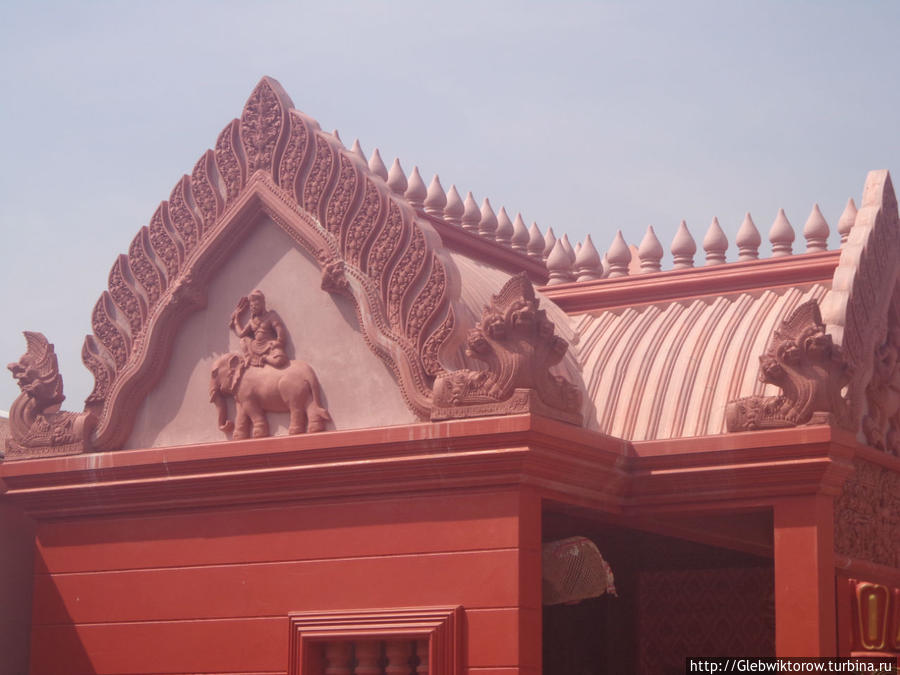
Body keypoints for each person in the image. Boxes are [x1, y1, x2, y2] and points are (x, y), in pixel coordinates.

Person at [229, 290, 289, 368]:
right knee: (243, 340)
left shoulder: (271, 316)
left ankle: (265, 358)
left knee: (279, 361)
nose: (253, 307)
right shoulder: (252, 321)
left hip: (268, 345)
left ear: (262, 304)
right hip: (255, 346)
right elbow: (241, 334)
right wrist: (236, 320)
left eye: (256, 304)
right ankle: (248, 358)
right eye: (251, 306)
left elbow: (280, 331)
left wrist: (279, 341)